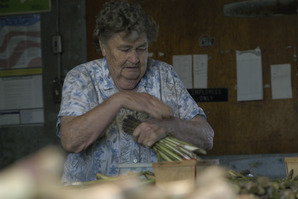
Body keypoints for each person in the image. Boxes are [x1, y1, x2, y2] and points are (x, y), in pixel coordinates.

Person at [56, 0, 214, 184]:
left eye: (142, 49)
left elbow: (207, 137)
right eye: (125, 49)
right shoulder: (81, 78)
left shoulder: (165, 75)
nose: (135, 59)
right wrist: (119, 100)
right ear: (103, 46)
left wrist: (170, 125)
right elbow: (71, 140)